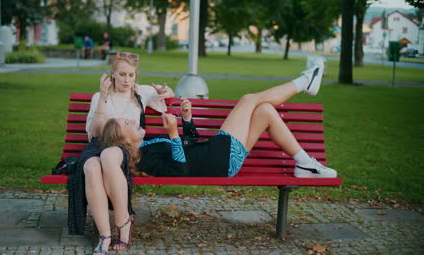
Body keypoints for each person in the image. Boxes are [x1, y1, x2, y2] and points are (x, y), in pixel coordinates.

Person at [96, 61, 337, 249]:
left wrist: (186, 120)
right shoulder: (145, 158)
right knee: (248, 100)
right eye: (127, 123)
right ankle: (306, 81)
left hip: (217, 155)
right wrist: (172, 134)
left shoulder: (149, 142)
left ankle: (305, 164)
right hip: (218, 159)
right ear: (125, 140)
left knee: (264, 110)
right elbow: (181, 170)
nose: (133, 120)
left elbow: (190, 143)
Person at [67, 51, 175, 253]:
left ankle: (123, 224)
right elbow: (95, 132)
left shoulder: (140, 93)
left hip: (124, 148)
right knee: (91, 166)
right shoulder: (99, 96)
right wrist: (102, 99)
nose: (127, 80)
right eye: (122, 74)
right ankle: (105, 235)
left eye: (131, 75)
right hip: (98, 145)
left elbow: (167, 97)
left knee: (109, 156)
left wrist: (167, 91)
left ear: (136, 76)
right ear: (113, 74)